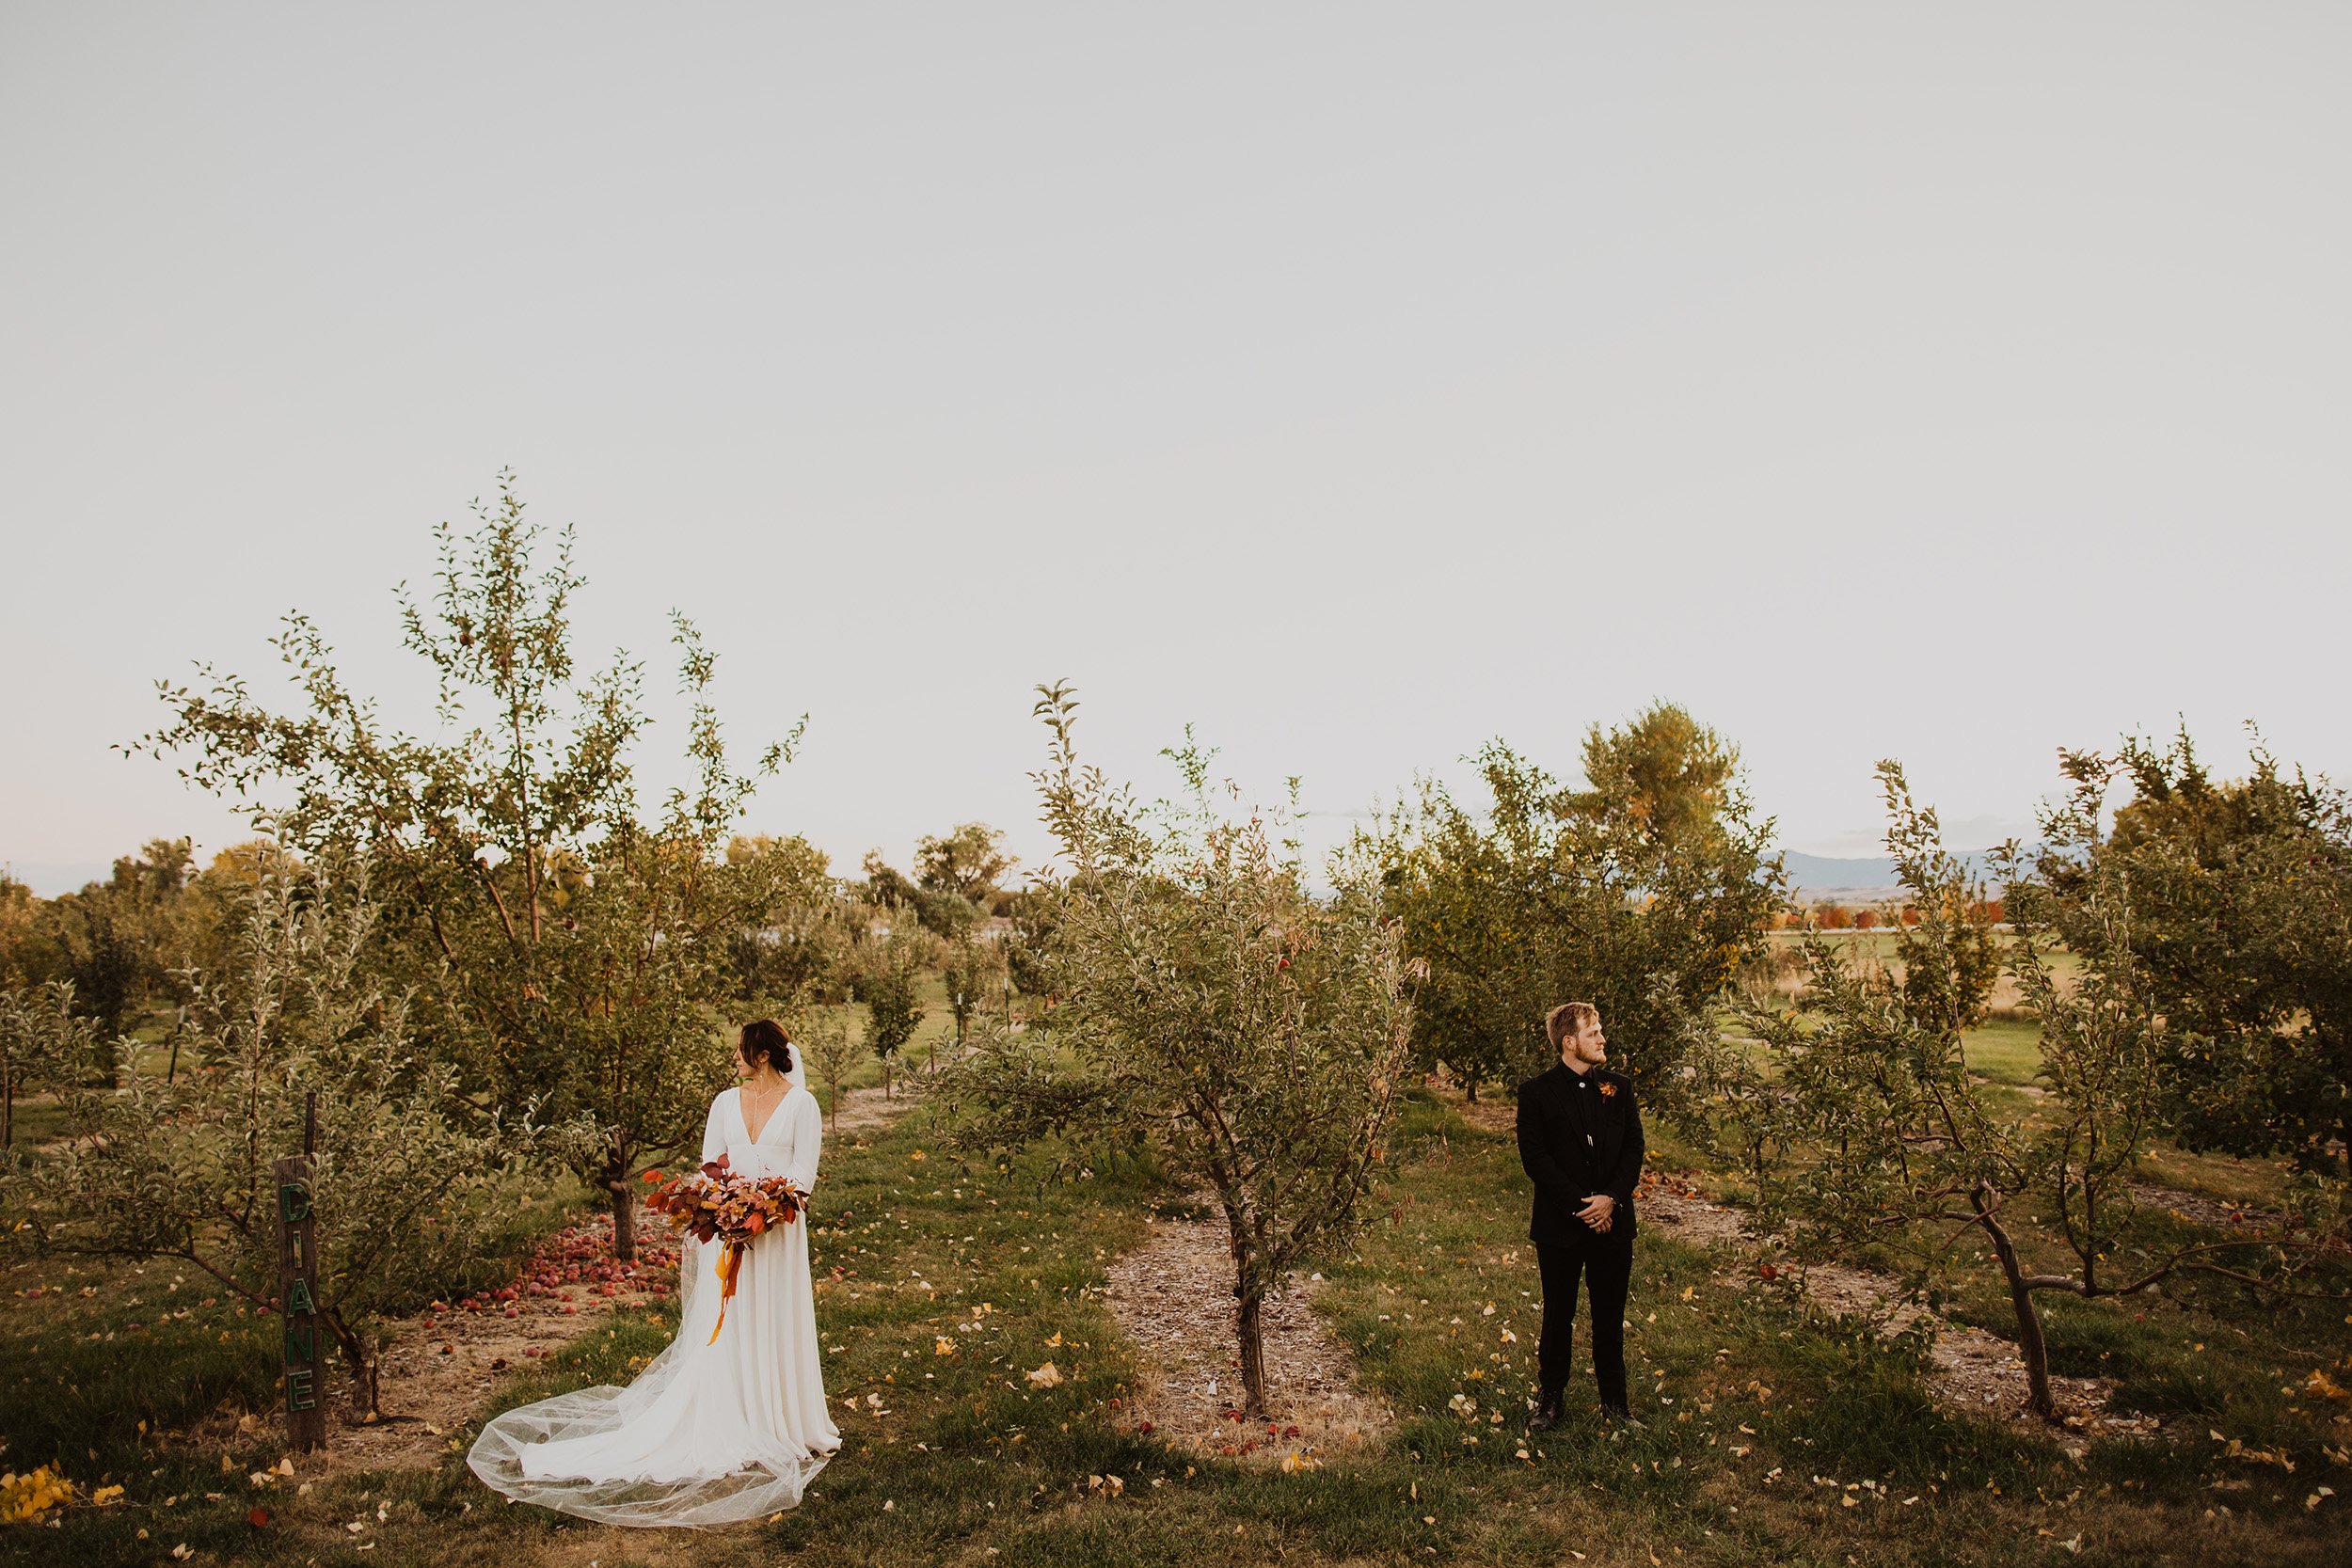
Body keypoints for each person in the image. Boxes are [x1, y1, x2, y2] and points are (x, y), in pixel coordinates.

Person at [468, 1020, 842, 1528]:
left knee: (774, 1317)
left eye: (740, 1050)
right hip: (730, 1232)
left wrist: (765, 1207)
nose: (734, 1058)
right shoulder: (724, 1102)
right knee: (728, 1325)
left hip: (776, 1234)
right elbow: (712, 1164)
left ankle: (782, 1418)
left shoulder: (804, 1106)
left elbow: (805, 1176)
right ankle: (734, 1412)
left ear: (762, 1055)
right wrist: (724, 1206)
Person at [1516, 1002, 1643, 1430]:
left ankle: (1616, 1404)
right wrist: (1582, 1206)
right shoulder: (1536, 1093)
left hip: (1614, 1220)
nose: (1603, 1038)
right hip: (1560, 1225)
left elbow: (1633, 1151)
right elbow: (1536, 1159)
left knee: (1610, 1314)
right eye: (1594, 1033)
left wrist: (1610, 1200)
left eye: (1601, 1030)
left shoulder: (1619, 1088)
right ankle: (1550, 1400)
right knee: (1558, 1313)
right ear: (1569, 1043)